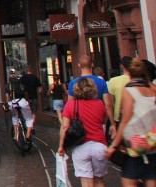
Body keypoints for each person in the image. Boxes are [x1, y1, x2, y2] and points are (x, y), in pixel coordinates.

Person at [106, 58, 156, 186]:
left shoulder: (129, 91)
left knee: (128, 181)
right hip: (153, 144)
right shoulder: (154, 90)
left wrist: (113, 145)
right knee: (151, 179)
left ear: (129, 73)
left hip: (136, 145)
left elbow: (125, 121)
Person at [59, 77, 109, 187]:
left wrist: (61, 146)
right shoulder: (100, 104)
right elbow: (103, 121)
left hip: (80, 148)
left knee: (87, 183)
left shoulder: (70, 105)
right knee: (99, 181)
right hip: (99, 146)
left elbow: (64, 126)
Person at [69, 54, 114, 124]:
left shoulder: (73, 83)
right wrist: (112, 123)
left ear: (79, 65)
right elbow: (108, 105)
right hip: (98, 118)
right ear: (92, 65)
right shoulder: (101, 82)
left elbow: (70, 104)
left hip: (80, 121)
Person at [5, 68, 35, 141]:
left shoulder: (7, 86)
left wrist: (8, 104)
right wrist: (27, 101)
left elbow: (7, 97)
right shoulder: (21, 83)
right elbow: (25, 93)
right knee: (29, 118)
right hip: (22, 101)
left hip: (12, 103)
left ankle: (16, 135)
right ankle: (28, 135)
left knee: (15, 117)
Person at [108, 56, 134, 126]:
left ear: (122, 67)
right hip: (135, 116)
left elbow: (111, 103)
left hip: (119, 117)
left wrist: (113, 122)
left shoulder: (113, 81)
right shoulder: (138, 80)